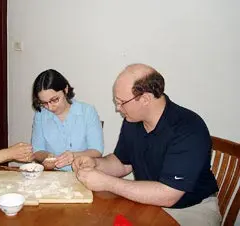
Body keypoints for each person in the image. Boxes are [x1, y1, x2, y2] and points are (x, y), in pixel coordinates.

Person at [72, 64, 221, 226]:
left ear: (145, 99)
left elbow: (169, 195)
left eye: (122, 102)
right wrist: (96, 164)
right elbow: (122, 164)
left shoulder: (188, 128)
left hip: (190, 208)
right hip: (148, 202)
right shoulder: (133, 120)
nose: (118, 108)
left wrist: (107, 183)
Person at [31, 69, 103, 171]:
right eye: (44, 103)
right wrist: (48, 156)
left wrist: (74, 156)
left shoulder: (87, 111)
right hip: (53, 175)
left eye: (54, 100)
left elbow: (97, 151)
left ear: (65, 90)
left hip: (83, 173)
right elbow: (37, 151)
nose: (50, 107)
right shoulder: (41, 114)